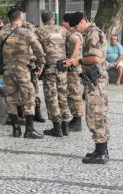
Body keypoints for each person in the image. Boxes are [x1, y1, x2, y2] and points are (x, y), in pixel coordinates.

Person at [65, 12, 109, 164]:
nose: (76, 29)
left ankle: (101, 153)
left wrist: (79, 61)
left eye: (77, 26)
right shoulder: (93, 32)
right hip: (95, 79)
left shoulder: (92, 34)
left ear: (83, 21)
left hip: (96, 81)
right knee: (100, 114)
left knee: (95, 115)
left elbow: (95, 58)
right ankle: (101, 149)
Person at [0, 7, 45, 139]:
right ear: (21, 18)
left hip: (8, 71)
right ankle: (29, 129)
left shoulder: (1, 34)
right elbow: (39, 50)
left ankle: (16, 129)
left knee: (10, 98)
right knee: (29, 97)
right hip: (23, 70)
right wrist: (41, 64)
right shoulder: (26, 33)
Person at [35, 10, 72, 137]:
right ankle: (65, 127)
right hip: (62, 67)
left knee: (52, 97)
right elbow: (71, 44)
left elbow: (37, 49)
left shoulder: (39, 31)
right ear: (53, 19)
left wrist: (40, 64)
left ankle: (57, 128)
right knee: (63, 95)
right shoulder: (63, 30)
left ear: (43, 20)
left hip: (49, 68)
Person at [62, 13, 84, 132]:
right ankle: (76, 119)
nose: (62, 24)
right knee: (72, 93)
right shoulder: (74, 34)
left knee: (74, 93)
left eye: (64, 22)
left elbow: (77, 44)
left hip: (73, 69)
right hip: (74, 68)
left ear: (68, 22)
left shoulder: (74, 35)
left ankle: (77, 121)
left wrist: (72, 59)